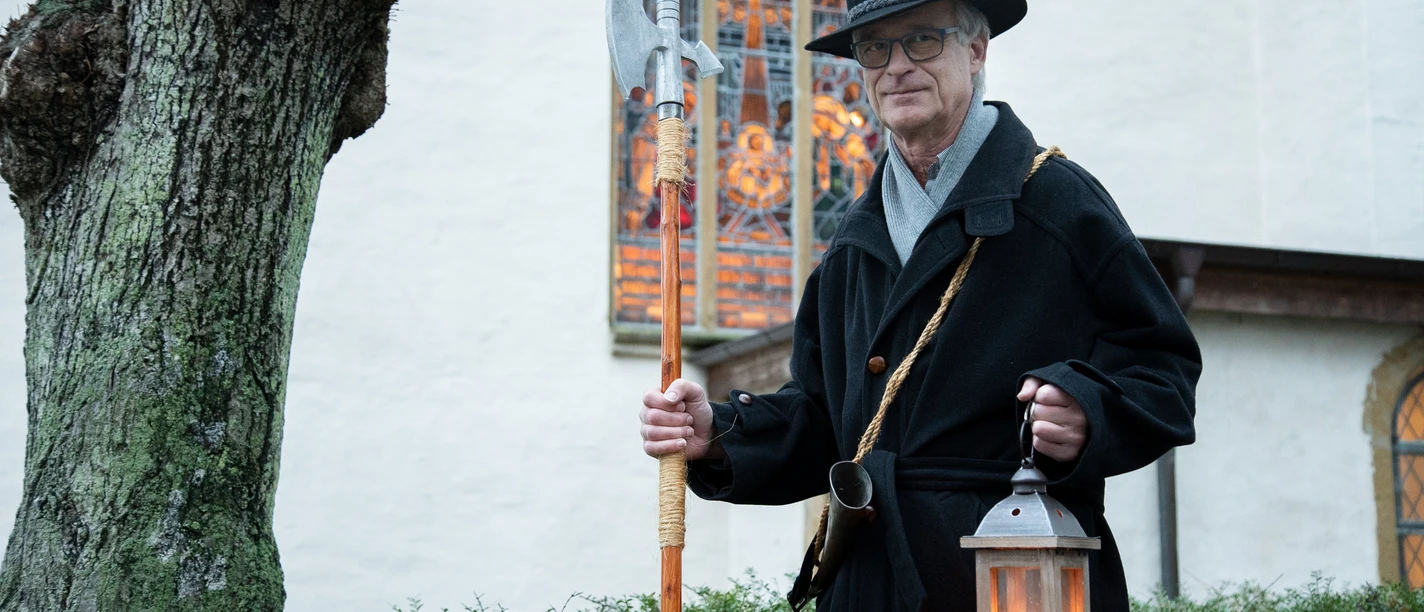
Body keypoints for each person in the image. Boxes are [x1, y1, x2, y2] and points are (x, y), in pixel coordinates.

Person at [638, 0, 1201, 609]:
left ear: (977, 50)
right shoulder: (854, 241)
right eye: (875, 49)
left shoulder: (1060, 204)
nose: (896, 67)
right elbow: (825, 420)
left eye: (923, 41)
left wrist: (1088, 411)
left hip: (1008, 577)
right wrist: (720, 433)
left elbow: (1162, 372)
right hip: (866, 583)